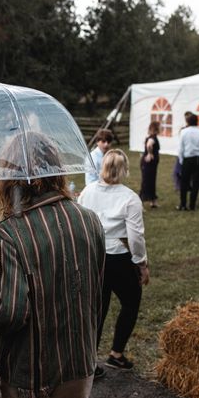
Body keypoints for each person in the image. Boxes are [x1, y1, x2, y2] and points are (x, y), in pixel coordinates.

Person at [0, 132, 105, 398]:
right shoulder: (90, 221)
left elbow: (12, 314)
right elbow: (96, 289)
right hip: (78, 357)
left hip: (30, 367)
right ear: (55, 170)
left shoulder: (9, 234)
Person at [78, 149, 150, 374]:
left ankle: (89, 361)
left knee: (98, 308)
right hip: (118, 258)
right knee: (131, 300)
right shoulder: (129, 198)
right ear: (124, 170)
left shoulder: (87, 192)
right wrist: (141, 264)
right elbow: (136, 236)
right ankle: (116, 354)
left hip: (93, 255)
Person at [177, 113, 199, 211]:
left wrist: (181, 160)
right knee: (196, 182)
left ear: (187, 122)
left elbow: (181, 148)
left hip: (187, 158)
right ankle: (192, 205)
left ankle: (183, 204)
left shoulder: (184, 132)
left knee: (184, 182)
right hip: (198, 158)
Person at [140, 121, 161, 208]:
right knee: (146, 182)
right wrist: (149, 153)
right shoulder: (152, 138)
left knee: (151, 182)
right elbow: (149, 145)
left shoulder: (152, 137)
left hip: (151, 164)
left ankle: (153, 201)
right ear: (156, 129)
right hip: (148, 164)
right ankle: (139, 204)